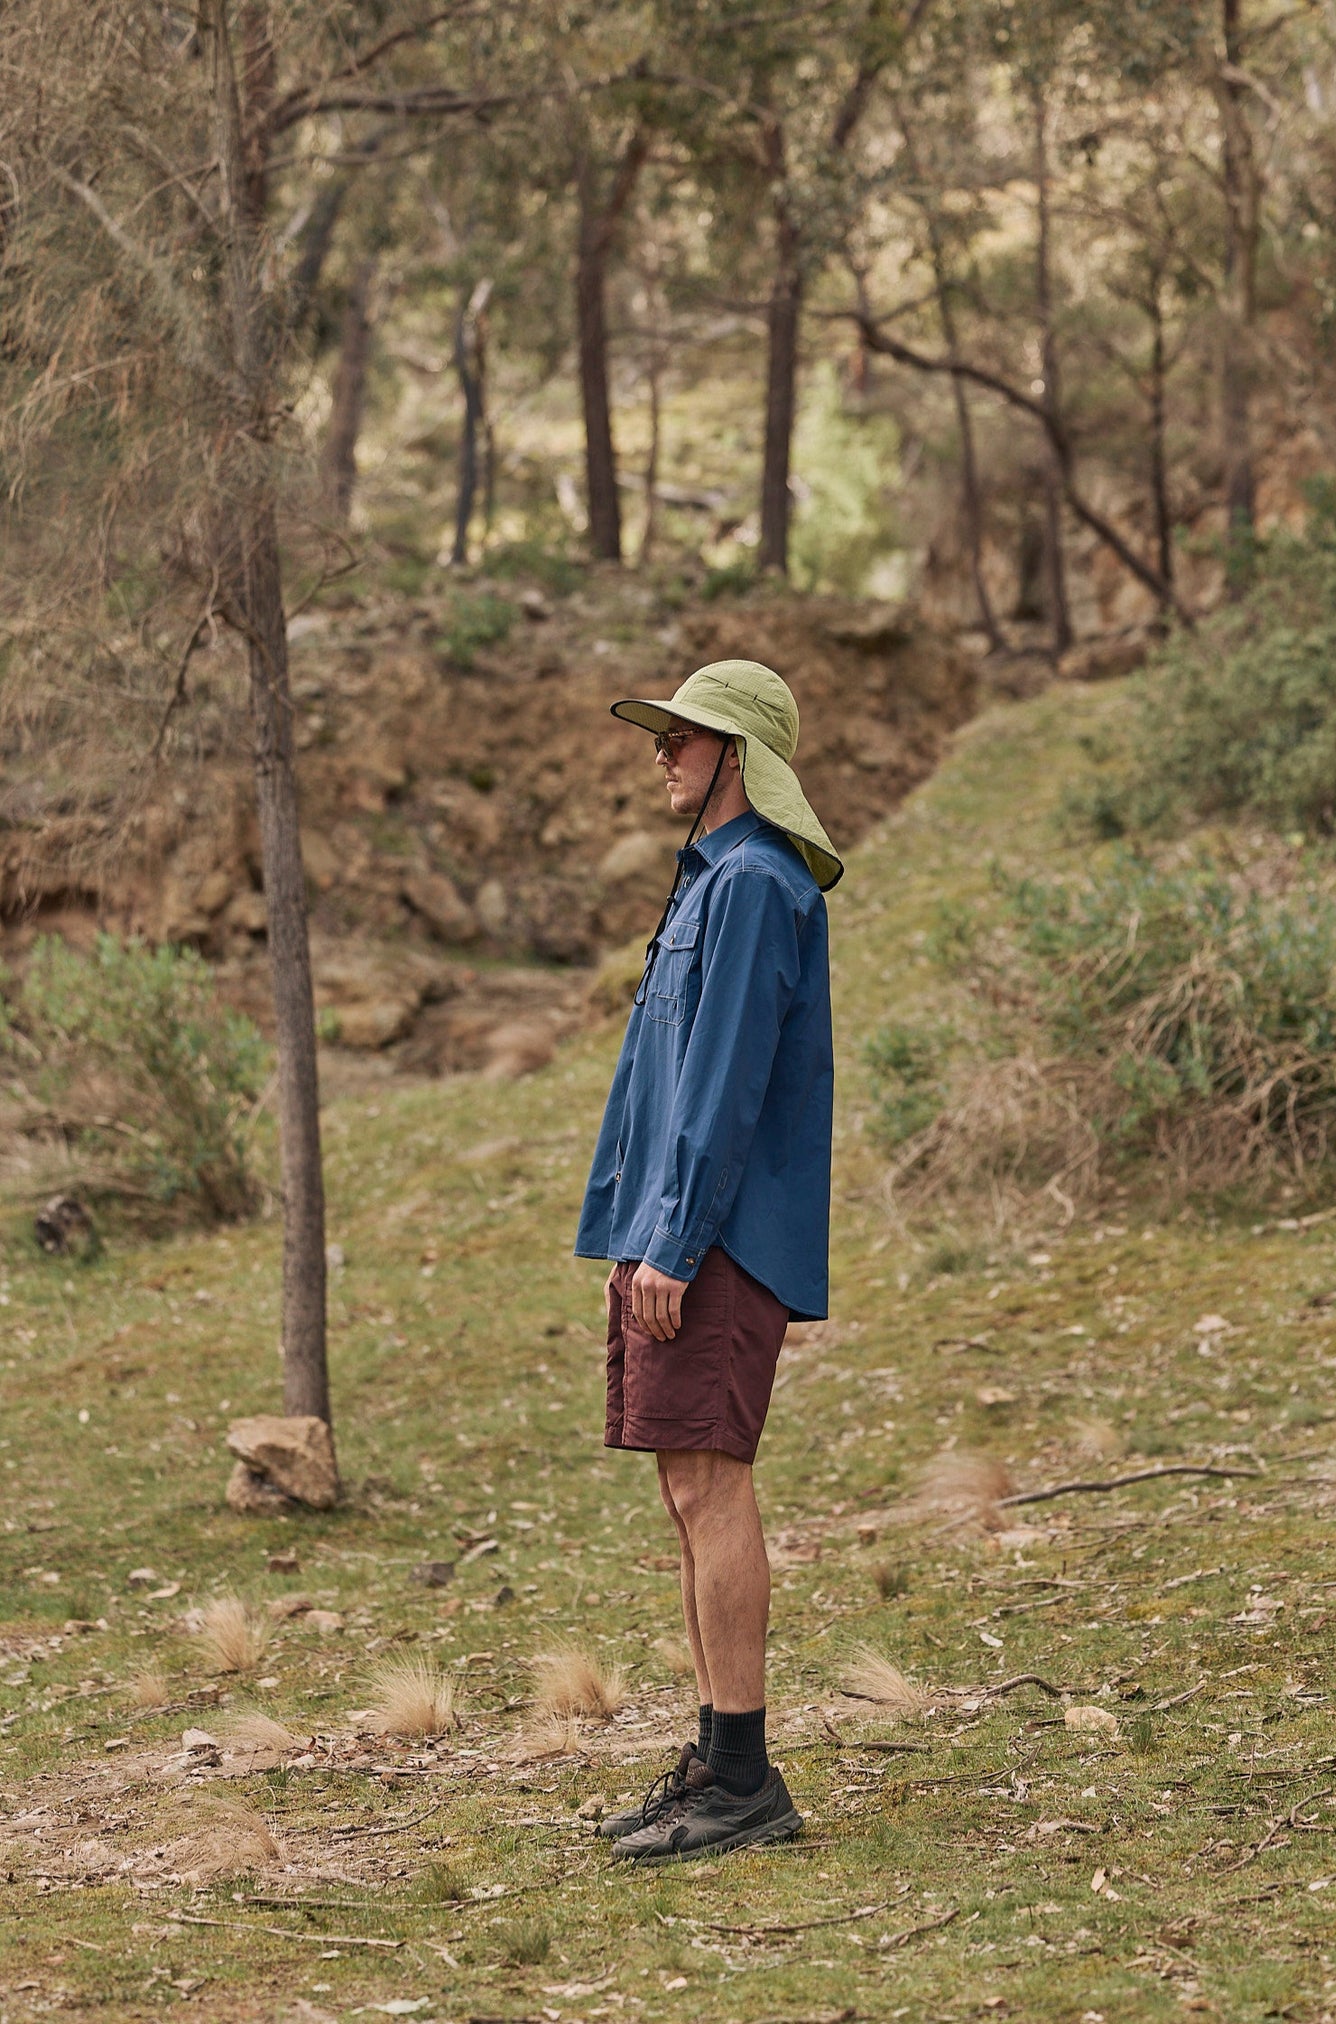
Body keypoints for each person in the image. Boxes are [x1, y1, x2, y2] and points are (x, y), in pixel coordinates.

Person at [575, 658, 842, 1863]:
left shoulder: (750, 887)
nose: (662, 751)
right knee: (686, 1493)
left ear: (736, 754)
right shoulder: (707, 886)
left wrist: (674, 1243)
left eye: (684, 735)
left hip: (717, 1241)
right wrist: (636, 1236)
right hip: (674, 1234)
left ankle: (744, 1779)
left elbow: (727, 1086)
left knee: (713, 1485)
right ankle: (717, 1758)